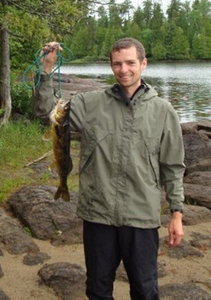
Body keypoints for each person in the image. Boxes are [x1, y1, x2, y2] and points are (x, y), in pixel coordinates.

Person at [33, 38, 185, 300]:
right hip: (98, 215)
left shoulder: (164, 111)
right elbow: (45, 110)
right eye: (117, 64)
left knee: (146, 290)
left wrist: (177, 213)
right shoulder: (90, 103)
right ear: (111, 66)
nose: (123, 69)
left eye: (130, 63)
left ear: (143, 64)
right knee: (98, 289)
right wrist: (47, 69)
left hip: (142, 217)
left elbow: (172, 165)